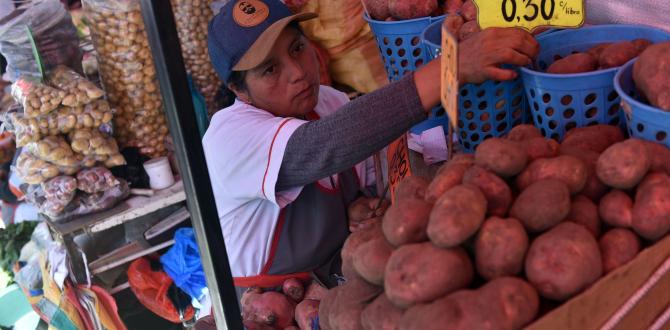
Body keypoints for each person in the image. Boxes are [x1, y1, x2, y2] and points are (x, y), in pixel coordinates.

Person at [204, 0, 539, 298]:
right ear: (239, 90)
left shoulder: (329, 102)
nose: (298, 72)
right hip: (266, 304)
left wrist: (356, 209)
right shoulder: (228, 136)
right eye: (270, 69)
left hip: (341, 279)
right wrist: (453, 67)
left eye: (296, 47)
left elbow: (364, 171)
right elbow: (325, 145)